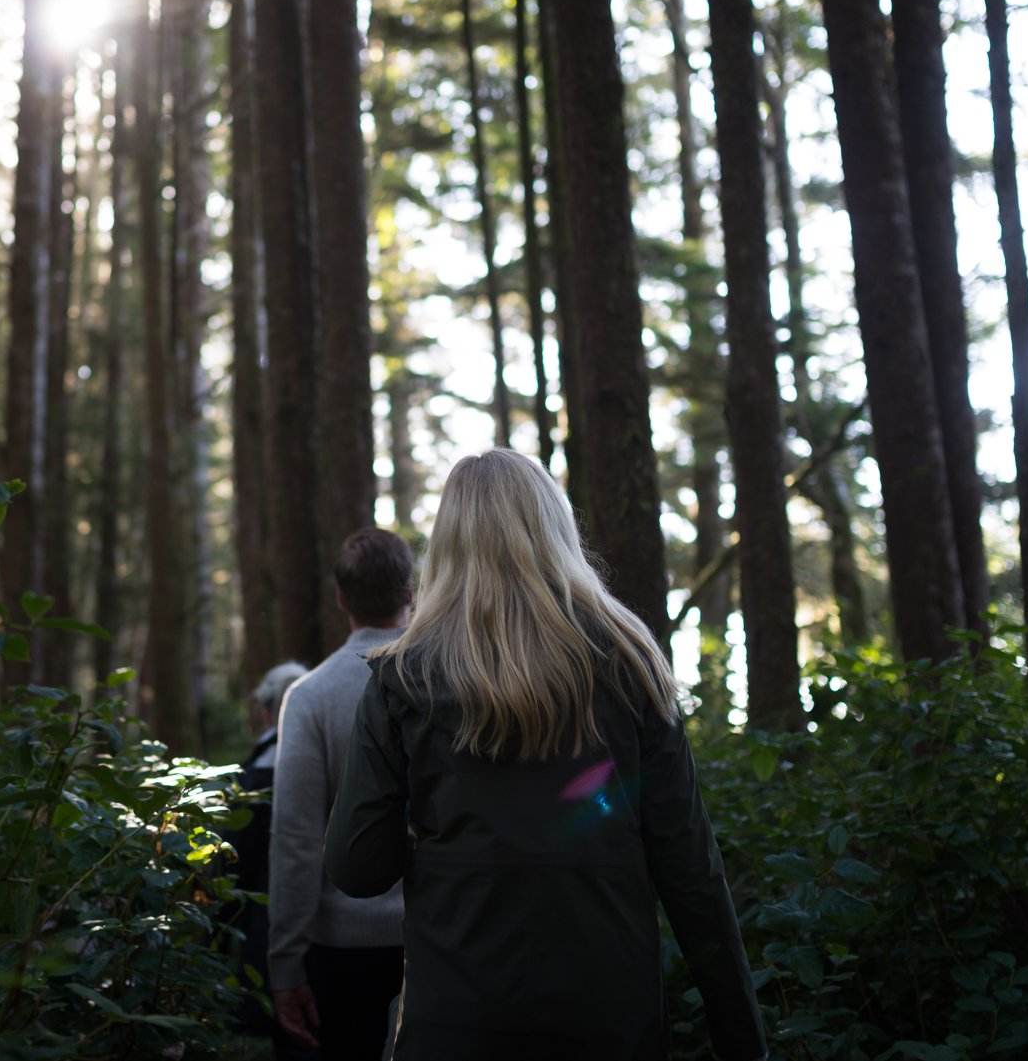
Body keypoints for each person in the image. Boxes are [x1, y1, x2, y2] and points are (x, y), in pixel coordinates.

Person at [324, 450, 767, 1061]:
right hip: (611, 1015)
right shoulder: (628, 662)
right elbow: (690, 868)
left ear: (448, 543)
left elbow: (356, 866)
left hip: (458, 1016)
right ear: (557, 529)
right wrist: (742, 1038)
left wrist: (446, 844)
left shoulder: (404, 677)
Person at [269, 527, 415, 1060]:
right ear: (411, 592)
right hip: (439, 939)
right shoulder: (447, 684)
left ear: (340, 599)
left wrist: (285, 964)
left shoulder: (309, 697)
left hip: (341, 952)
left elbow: (296, 840)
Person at [223, 660, 310, 1047]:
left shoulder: (260, 771)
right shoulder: (324, 752)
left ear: (264, 710)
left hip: (270, 918)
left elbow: (235, 862)